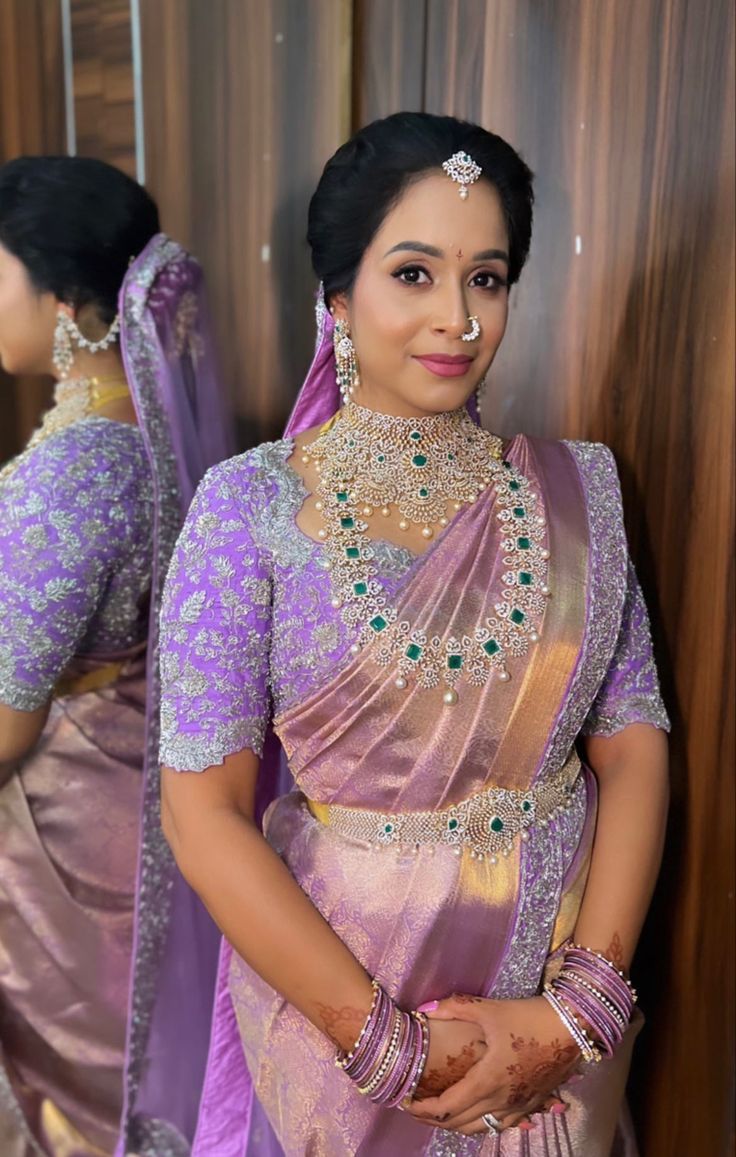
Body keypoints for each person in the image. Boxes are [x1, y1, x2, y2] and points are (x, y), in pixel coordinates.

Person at [153, 113, 670, 1156]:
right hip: (343, 1011)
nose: (457, 319)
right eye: (414, 273)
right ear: (336, 297)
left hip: (556, 998)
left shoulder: (579, 490)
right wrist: (380, 1042)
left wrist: (581, 1007)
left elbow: (634, 741)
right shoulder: (251, 507)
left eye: (486, 278)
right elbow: (202, 811)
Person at [0, 155, 230, 1157]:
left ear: (61, 298)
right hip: (124, 791)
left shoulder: (78, 473)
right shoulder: (133, 440)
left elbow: (6, 719)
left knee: (68, 1105)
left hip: (62, 823)